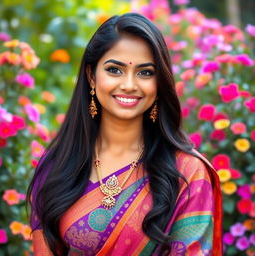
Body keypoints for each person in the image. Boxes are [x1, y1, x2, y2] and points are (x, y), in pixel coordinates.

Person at [27, 13, 223, 256]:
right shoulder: (58, 165)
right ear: (91, 75)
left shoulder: (186, 172)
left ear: (159, 82)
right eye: (114, 70)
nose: (129, 84)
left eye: (145, 73)